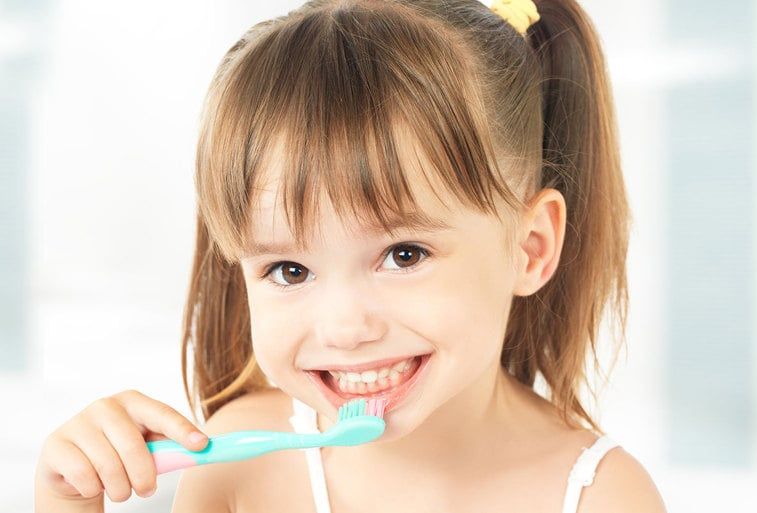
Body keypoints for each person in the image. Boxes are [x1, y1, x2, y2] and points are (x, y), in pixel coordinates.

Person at [34, 0, 668, 511]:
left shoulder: (601, 497)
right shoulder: (245, 463)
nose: (344, 327)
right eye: (289, 270)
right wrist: (68, 502)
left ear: (530, 248)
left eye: (404, 254)